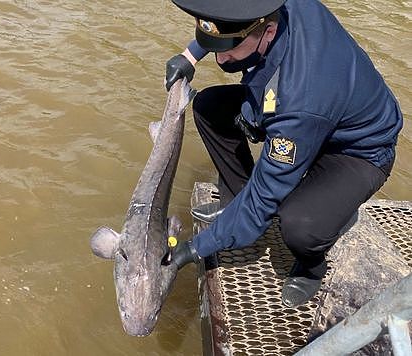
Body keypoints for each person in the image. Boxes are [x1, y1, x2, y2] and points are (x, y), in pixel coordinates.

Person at [167, 0, 403, 307]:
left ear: (269, 32)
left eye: (229, 47)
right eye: (213, 46)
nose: (221, 57)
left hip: (356, 150)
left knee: (299, 224)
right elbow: (223, 17)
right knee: (209, 107)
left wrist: (194, 248)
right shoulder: (276, 6)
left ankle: (312, 265)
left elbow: (266, 195)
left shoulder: (300, 98)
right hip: (310, 109)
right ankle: (235, 199)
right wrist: (189, 56)